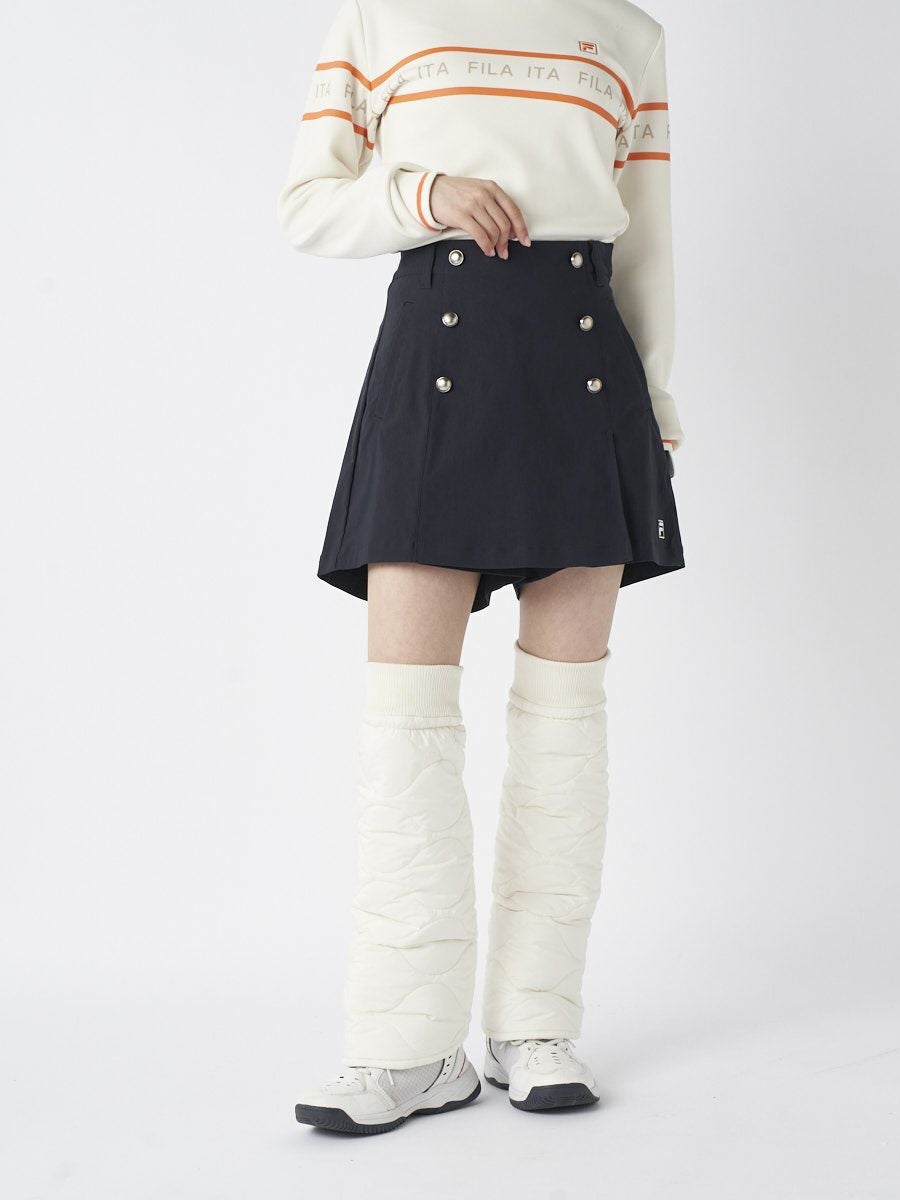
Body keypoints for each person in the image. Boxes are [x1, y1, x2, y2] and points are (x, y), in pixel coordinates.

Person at [276, 0, 686, 1135]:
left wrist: (655, 405)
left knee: (564, 721)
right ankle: (405, 1046)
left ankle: (534, 1024)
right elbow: (306, 204)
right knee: (406, 718)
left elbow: (647, 236)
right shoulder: (378, 18)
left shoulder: (628, 34)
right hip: (436, 358)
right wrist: (423, 195)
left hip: (584, 370)